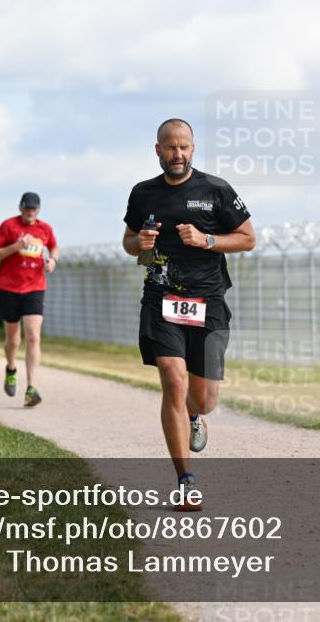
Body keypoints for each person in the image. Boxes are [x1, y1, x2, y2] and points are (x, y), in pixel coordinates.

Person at [122, 118, 255, 508]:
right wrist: (139, 241)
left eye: (183, 147)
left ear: (192, 149)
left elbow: (248, 238)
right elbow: (128, 242)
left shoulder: (217, 190)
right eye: (170, 147)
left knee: (203, 399)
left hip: (207, 302)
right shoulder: (143, 193)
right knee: (173, 381)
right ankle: (185, 481)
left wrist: (206, 239)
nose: (177, 153)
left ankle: (196, 416)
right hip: (160, 299)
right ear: (158, 150)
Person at [0, 192, 59, 407]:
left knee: (33, 336)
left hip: (34, 287)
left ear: (39, 210)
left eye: (34, 209)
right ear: (20, 208)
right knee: (13, 340)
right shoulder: (9, 226)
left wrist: (53, 260)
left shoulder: (45, 228)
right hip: (9, 288)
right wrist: (16, 247)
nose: (30, 212)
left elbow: (54, 246)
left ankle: (31, 388)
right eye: (27, 208)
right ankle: (11, 368)